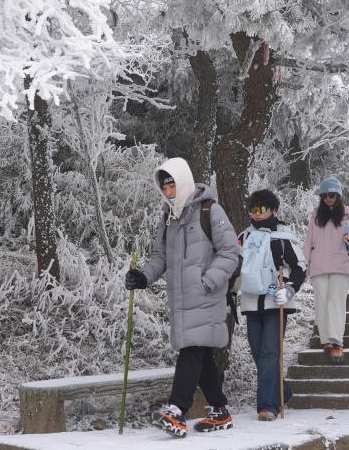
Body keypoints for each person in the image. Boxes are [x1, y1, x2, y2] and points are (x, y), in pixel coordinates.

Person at [124, 157, 239, 437]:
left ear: (183, 181)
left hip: (206, 294)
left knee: (191, 350)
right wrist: (143, 277)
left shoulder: (210, 210)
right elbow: (160, 257)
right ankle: (220, 410)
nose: (168, 190)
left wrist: (207, 281)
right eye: (163, 186)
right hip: (182, 300)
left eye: (172, 184)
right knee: (200, 355)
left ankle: (177, 411)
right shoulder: (168, 216)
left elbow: (230, 252)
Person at [238, 189, 306, 421]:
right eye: (252, 210)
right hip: (251, 303)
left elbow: (300, 266)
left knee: (269, 352)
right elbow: (235, 267)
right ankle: (283, 392)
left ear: (273, 209)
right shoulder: (244, 237)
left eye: (261, 209)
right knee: (259, 353)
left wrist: (289, 289)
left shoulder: (284, 236)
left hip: (276, 302)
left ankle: (268, 406)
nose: (256, 215)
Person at [304, 176, 349, 364]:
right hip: (319, 264)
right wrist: (305, 264)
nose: (328, 198)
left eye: (332, 195)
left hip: (340, 264)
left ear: (338, 195)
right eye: (325, 195)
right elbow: (308, 241)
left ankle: (337, 342)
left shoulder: (348, 214)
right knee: (322, 303)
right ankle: (326, 340)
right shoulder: (315, 215)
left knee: (335, 302)